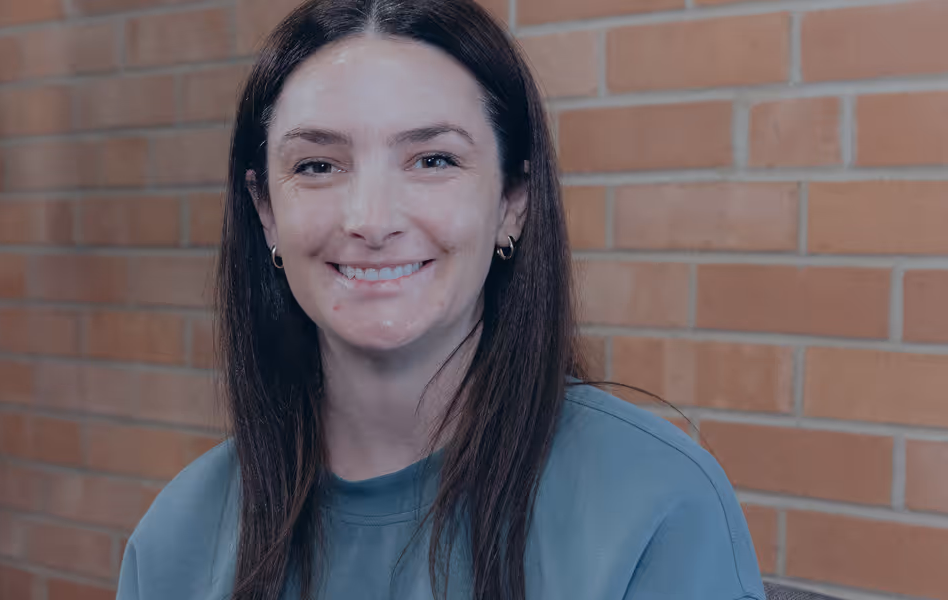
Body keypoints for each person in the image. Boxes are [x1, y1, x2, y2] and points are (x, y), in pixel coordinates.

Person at [116, 1, 765, 599]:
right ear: (265, 212)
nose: (371, 219)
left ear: (513, 200)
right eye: (318, 165)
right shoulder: (179, 537)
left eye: (432, 160)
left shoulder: (655, 501)